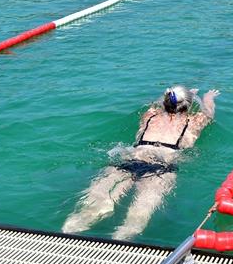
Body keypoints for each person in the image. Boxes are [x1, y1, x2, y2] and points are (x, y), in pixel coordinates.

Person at [62, 86, 220, 240]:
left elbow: (160, 102)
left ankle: (68, 231)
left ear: (165, 101)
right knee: (137, 216)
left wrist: (183, 95)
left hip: (128, 160)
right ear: (187, 107)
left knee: (94, 206)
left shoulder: (150, 114)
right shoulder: (194, 121)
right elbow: (209, 113)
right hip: (160, 167)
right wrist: (207, 98)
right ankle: (119, 240)